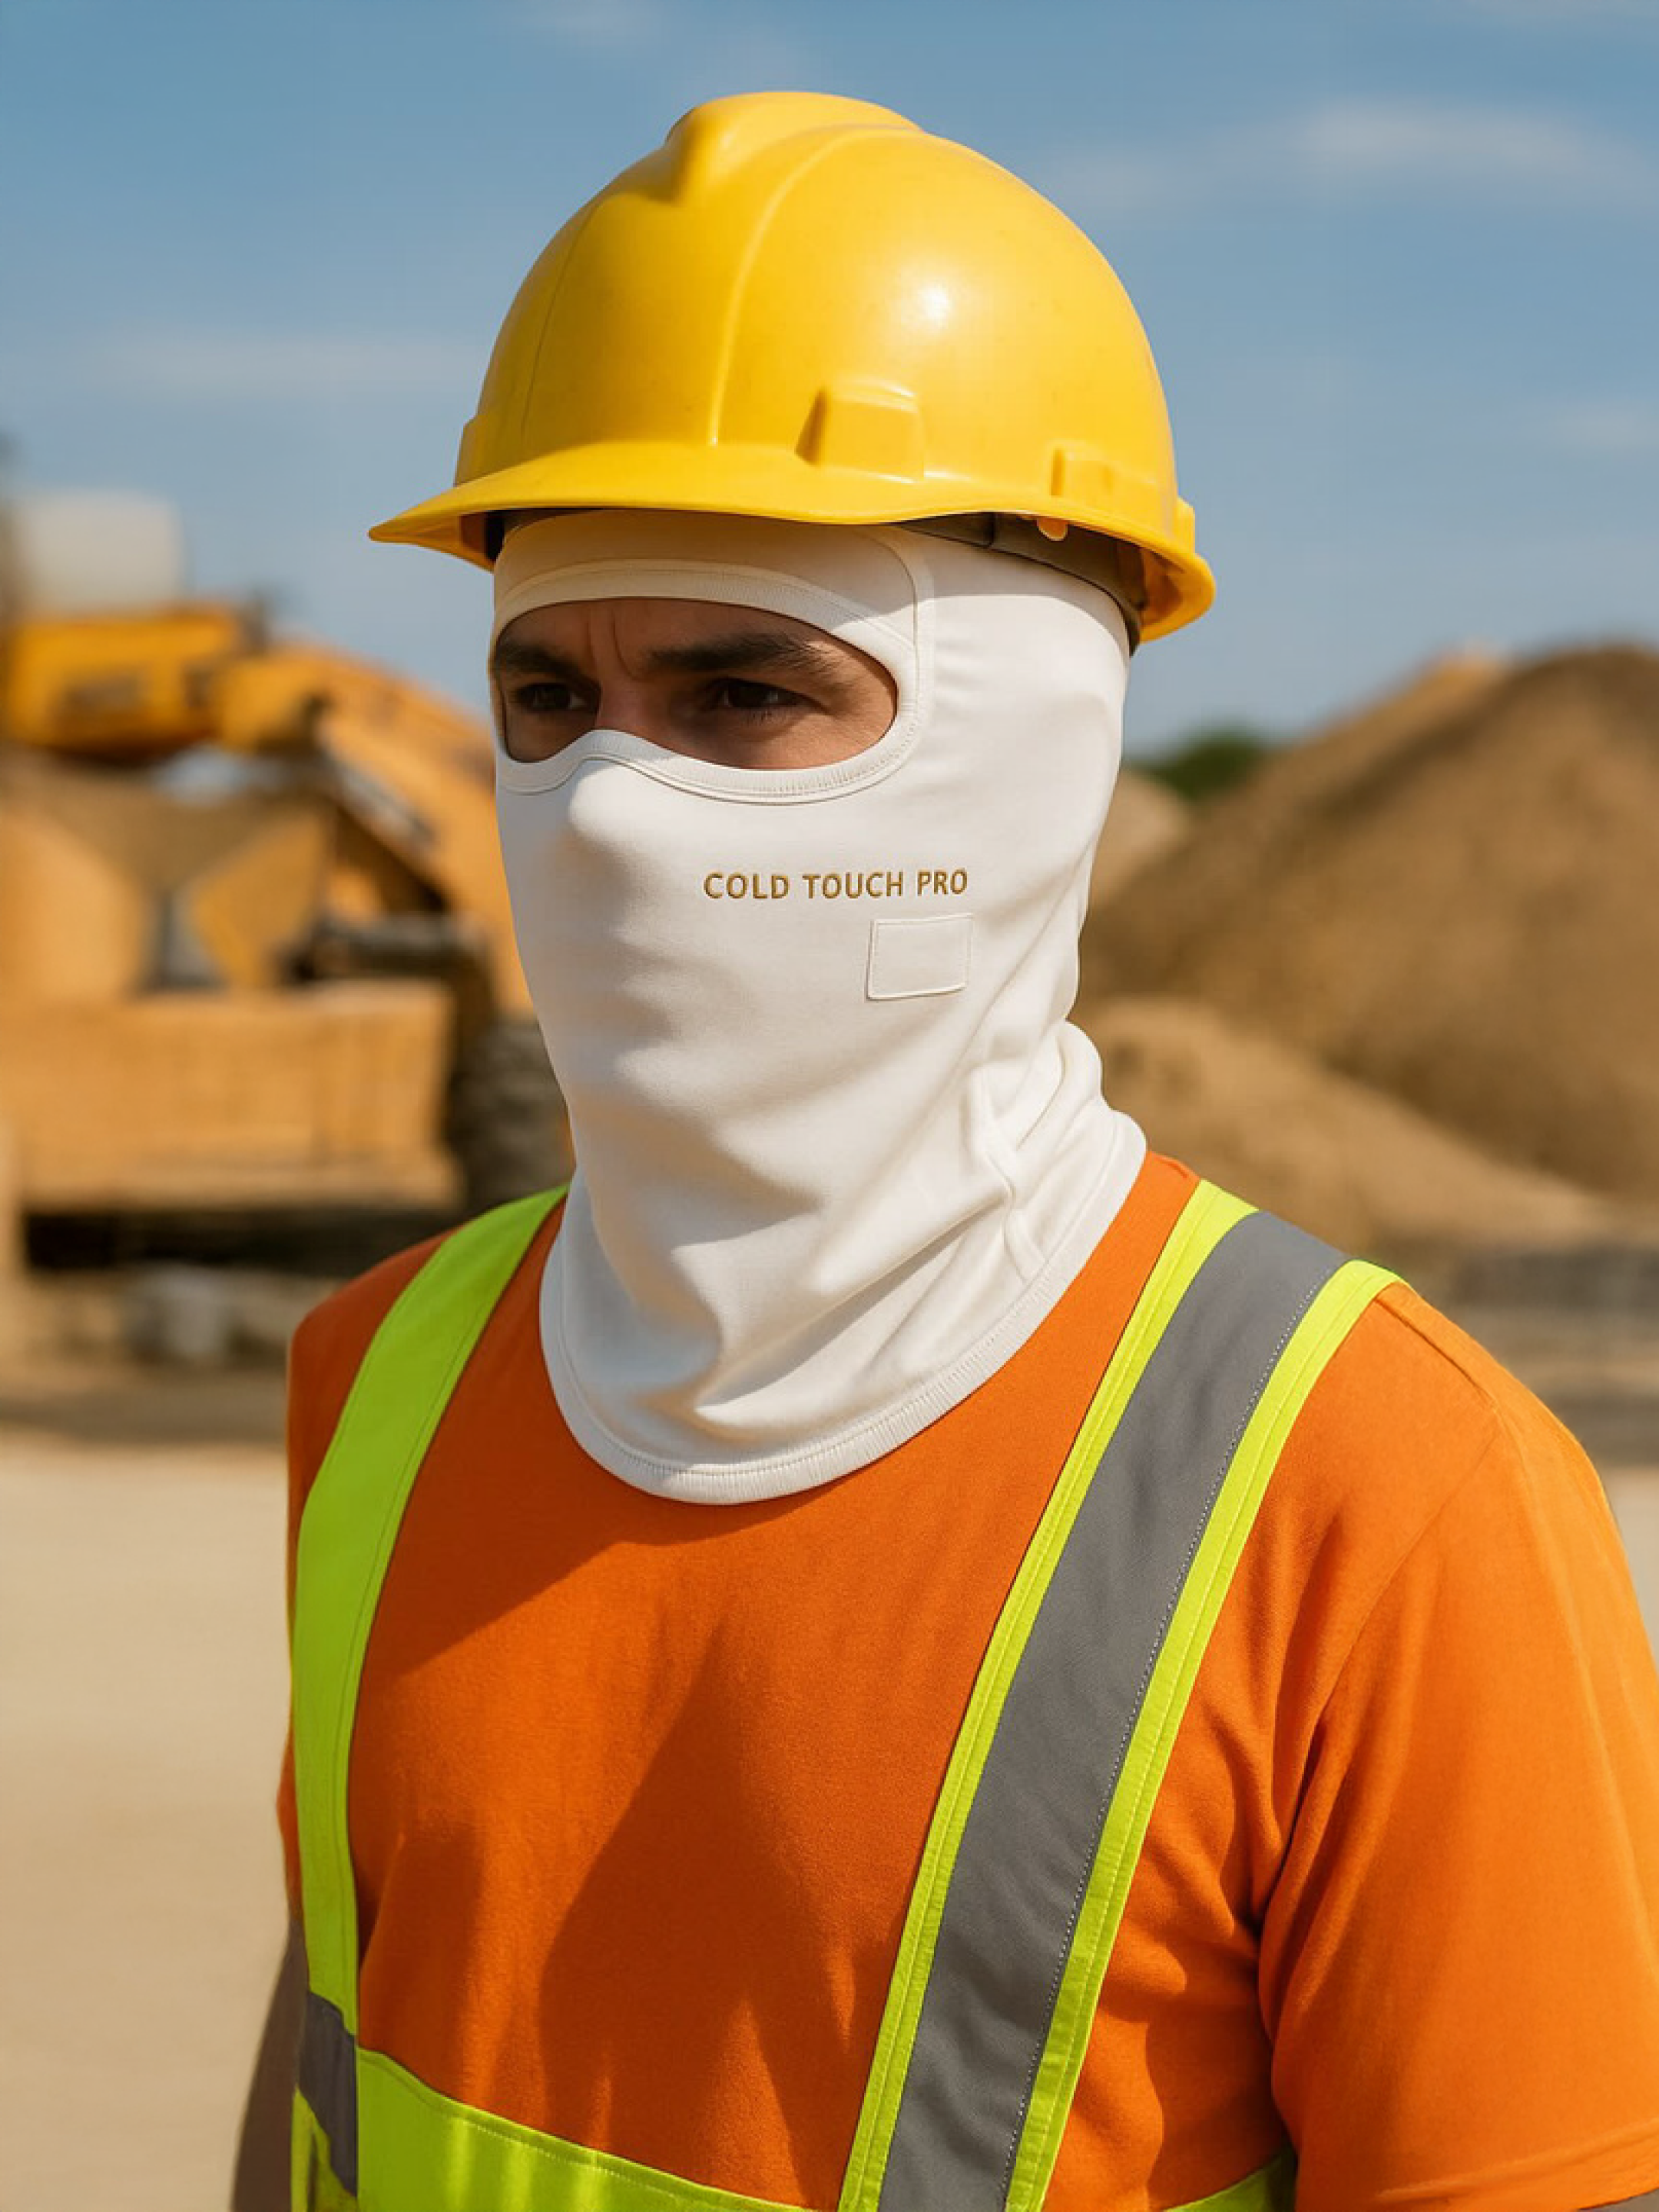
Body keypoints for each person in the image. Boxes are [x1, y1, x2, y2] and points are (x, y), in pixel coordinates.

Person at [234, 92, 1659, 2212]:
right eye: (547, 695)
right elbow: (331, 2079)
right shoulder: (381, 1382)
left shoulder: (1381, 1505)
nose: (614, 803)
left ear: (1027, 751)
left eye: (743, 694)